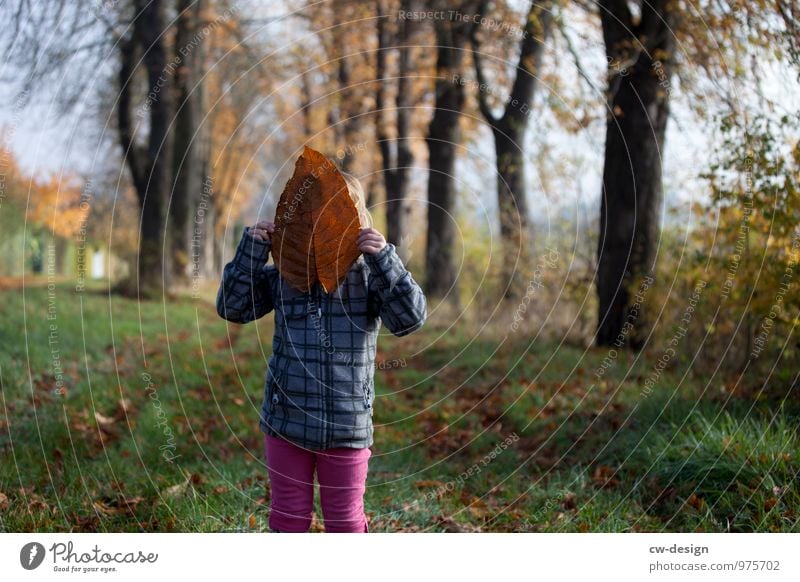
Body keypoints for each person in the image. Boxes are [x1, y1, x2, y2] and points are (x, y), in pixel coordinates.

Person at [215, 172, 427, 533]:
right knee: (289, 518)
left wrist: (386, 262)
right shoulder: (285, 275)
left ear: (356, 219)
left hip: (346, 425)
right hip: (286, 421)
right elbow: (233, 308)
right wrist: (251, 254)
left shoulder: (369, 276)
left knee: (344, 521)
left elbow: (409, 320)